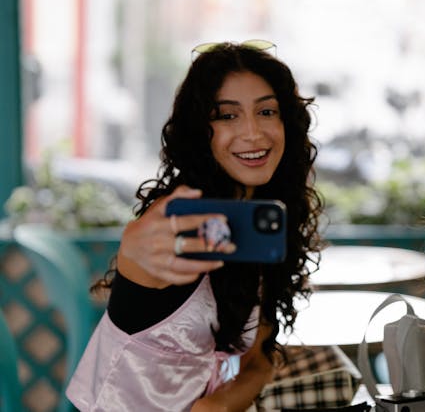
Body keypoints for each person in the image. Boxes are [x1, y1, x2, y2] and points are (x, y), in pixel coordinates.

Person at [66, 40, 323, 411]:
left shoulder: (259, 220)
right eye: (227, 115)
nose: (253, 132)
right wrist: (134, 248)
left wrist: (213, 407)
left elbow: (259, 362)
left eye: (267, 111)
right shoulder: (175, 221)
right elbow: (139, 249)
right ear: (199, 130)